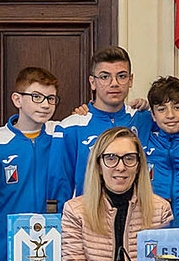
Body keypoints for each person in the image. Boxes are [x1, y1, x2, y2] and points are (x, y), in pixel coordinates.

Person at [0, 66, 71, 261]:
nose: (45, 105)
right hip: (2, 251)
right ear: (17, 100)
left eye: (51, 99)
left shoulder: (63, 135)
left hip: (53, 247)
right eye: (36, 97)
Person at [61, 127, 172, 261]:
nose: (121, 167)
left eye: (129, 158)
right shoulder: (74, 211)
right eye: (111, 158)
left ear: (139, 165)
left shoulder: (161, 209)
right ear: (99, 165)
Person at [59, 46, 141, 196]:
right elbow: (61, 184)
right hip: (87, 215)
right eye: (104, 77)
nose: (114, 83)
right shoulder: (70, 127)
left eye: (122, 76)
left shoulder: (143, 120)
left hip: (136, 215)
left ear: (131, 80)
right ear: (92, 82)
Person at [140, 76, 179, 226]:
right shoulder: (144, 139)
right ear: (153, 116)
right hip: (153, 225)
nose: (170, 115)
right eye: (162, 109)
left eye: (177, 107)